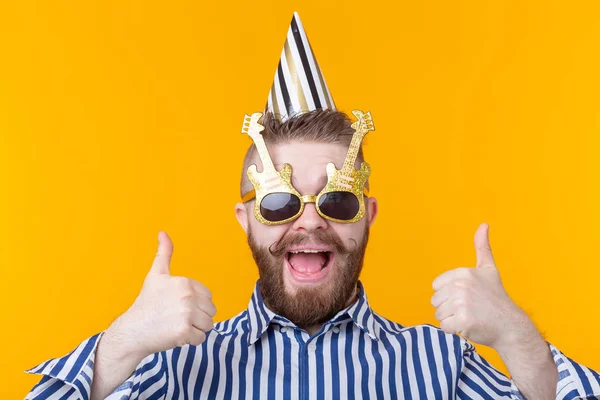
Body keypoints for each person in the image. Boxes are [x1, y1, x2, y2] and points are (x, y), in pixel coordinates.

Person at [26, 12, 599, 400]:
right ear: (246, 217)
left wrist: (517, 337)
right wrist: (121, 342)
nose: (310, 220)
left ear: (367, 215)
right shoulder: (177, 364)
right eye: (278, 201)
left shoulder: (439, 364)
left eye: (338, 198)